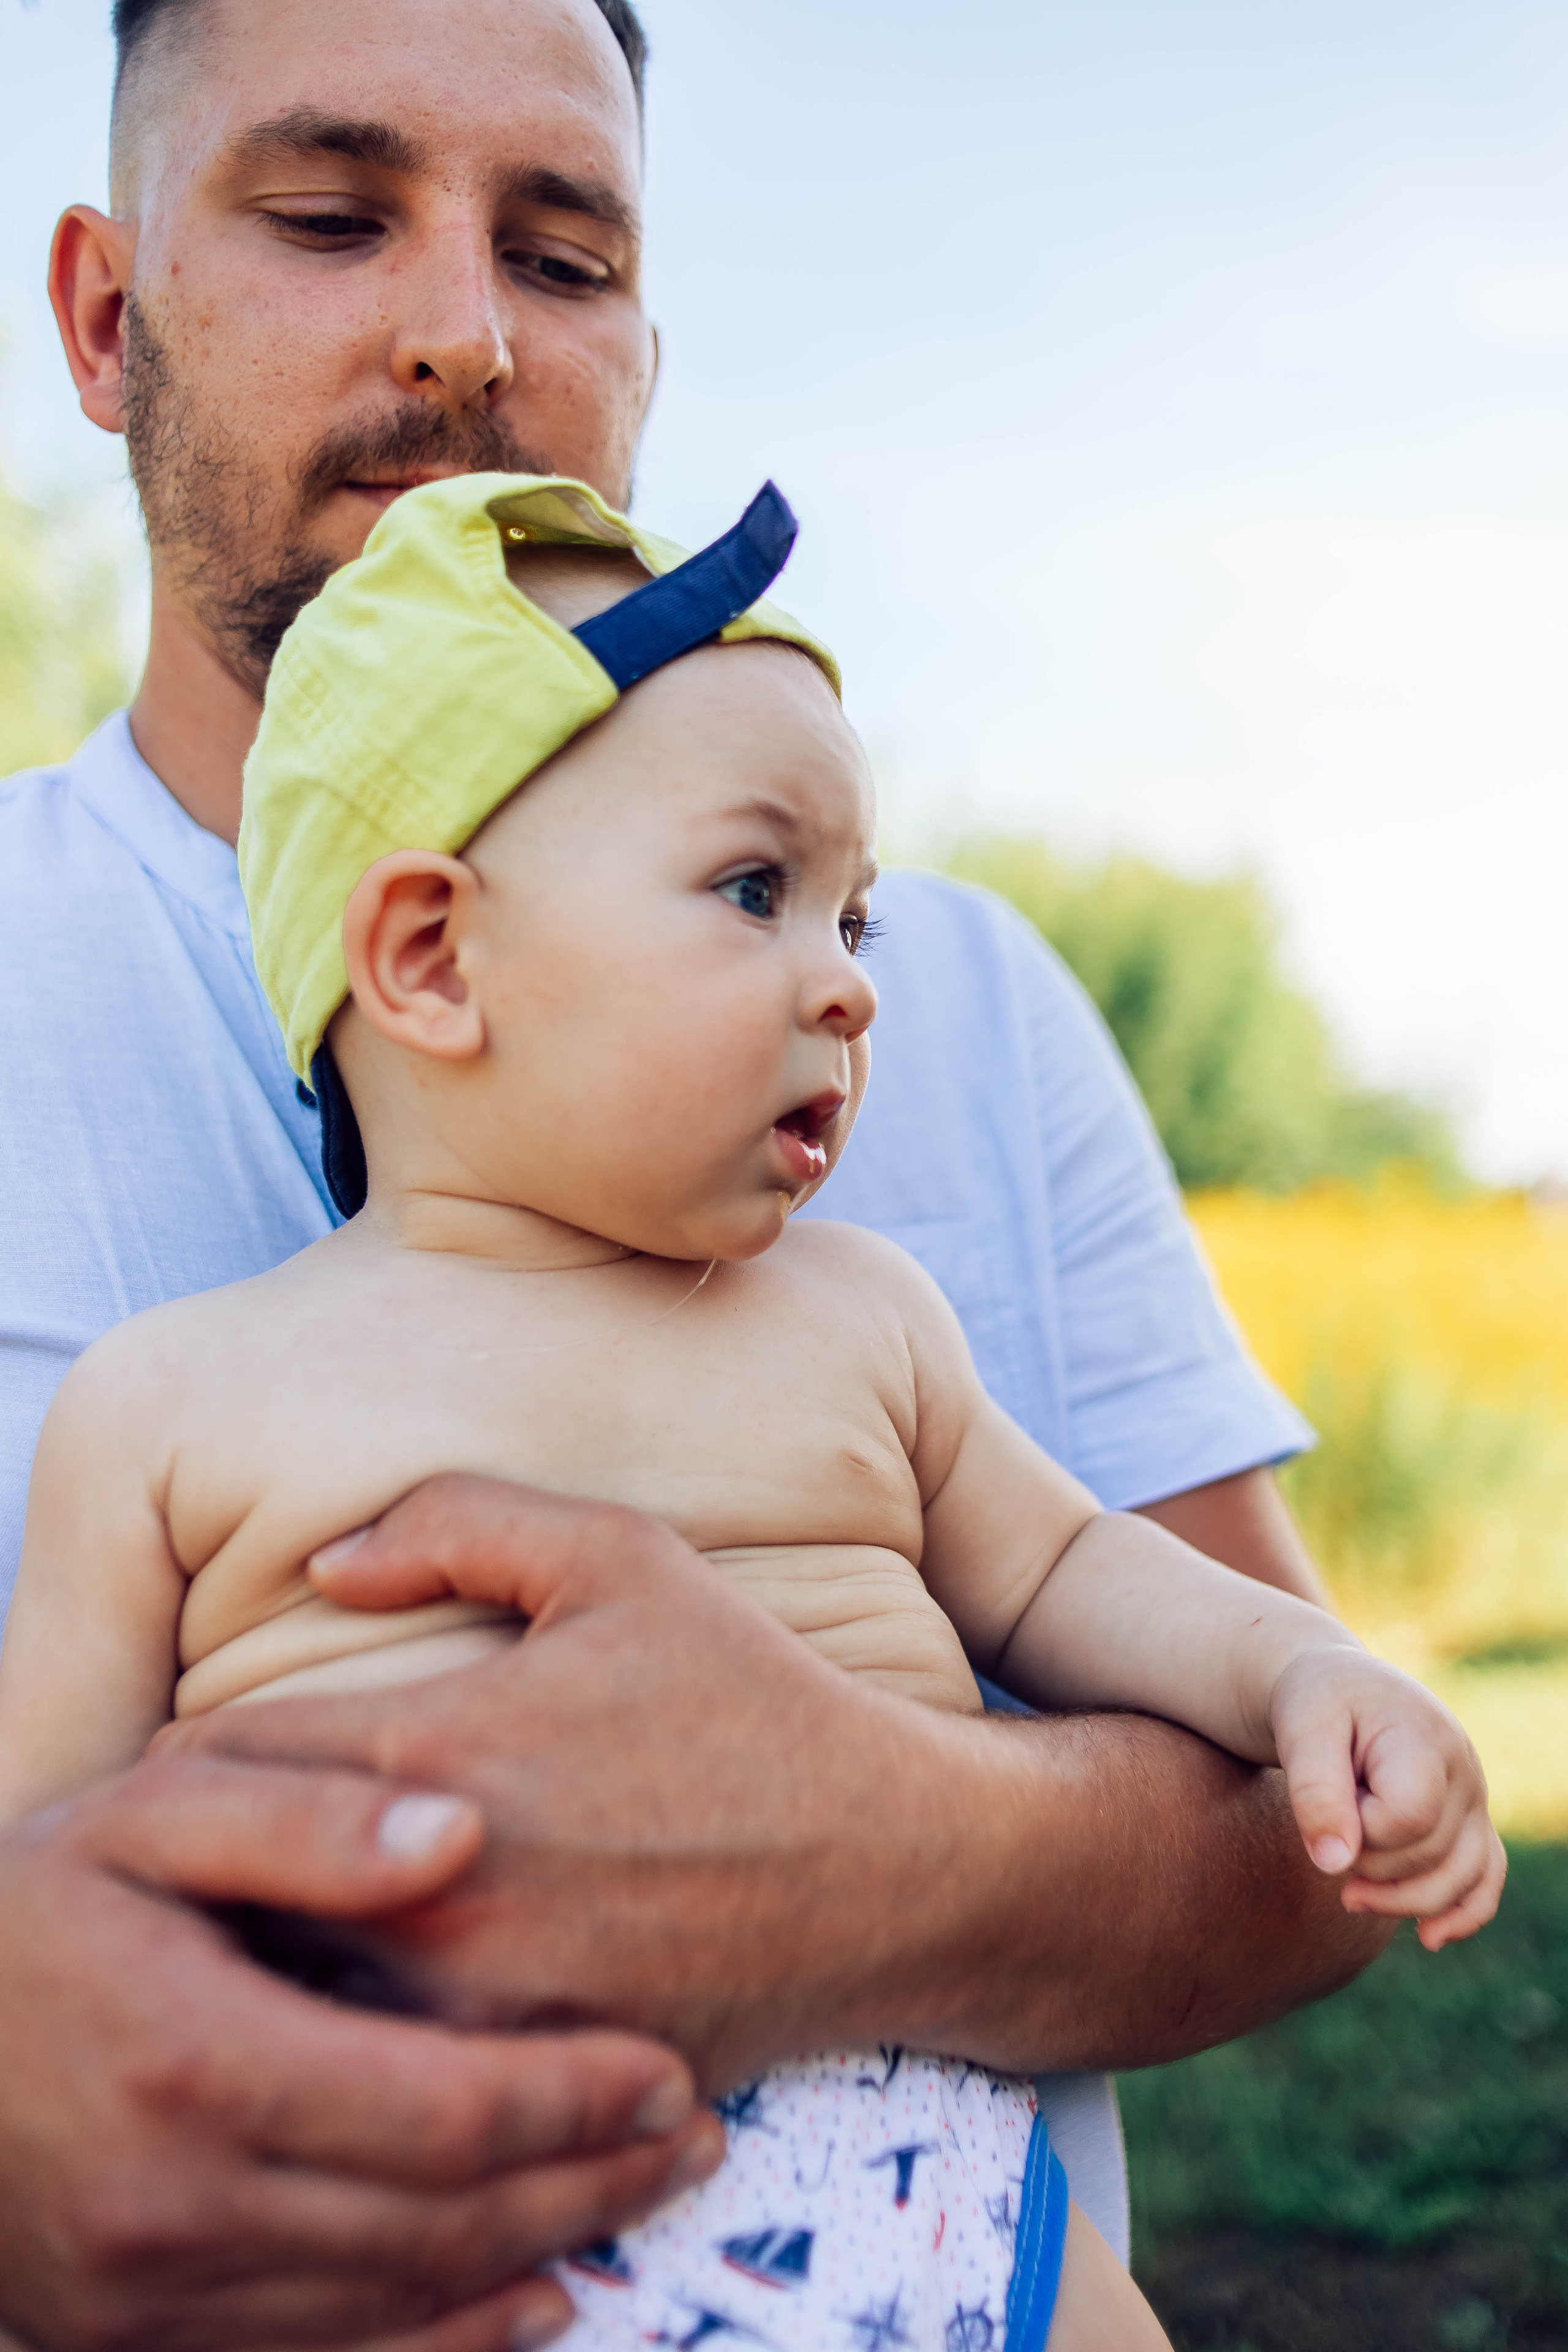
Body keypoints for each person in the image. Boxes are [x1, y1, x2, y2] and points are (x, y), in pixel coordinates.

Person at [0, 0, 1389, 2343]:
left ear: (646, 343)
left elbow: (1318, 1841)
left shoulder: (955, 989)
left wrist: (889, 1851)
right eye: (334, 217)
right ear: (113, 320)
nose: (463, 337)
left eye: (563, 255)